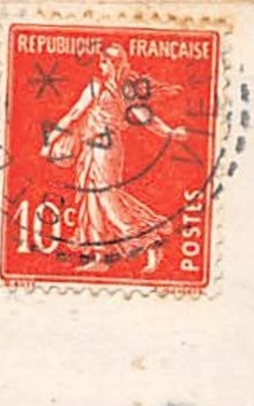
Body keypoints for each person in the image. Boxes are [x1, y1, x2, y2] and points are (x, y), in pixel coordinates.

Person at [41, 44, 189, 271]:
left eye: (105, 62)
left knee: (108, 199)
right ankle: (99, 258)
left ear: (114, 64)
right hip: (90, 149)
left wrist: (170, 133)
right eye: (102, 62)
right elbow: (75, 114)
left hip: (106, 150)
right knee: (91, 199)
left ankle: (150, 240)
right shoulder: (102, 87)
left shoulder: (120, 91)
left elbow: (146, 118)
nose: (102, 66)